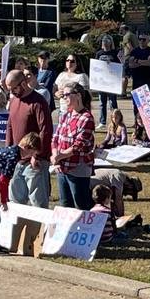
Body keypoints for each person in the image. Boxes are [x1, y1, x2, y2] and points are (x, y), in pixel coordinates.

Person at [5, 69, 53, 209]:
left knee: (38, 204)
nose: (12, 91)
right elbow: (10, 127)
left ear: (24, 83)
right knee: (15, 202)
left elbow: (45, 131)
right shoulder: (13, 101)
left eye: (14, 88)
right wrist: (9, 152)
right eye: (9, 89)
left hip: (34, 162)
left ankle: (38, 230)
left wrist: (37, 155)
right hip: (17, 160)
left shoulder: (38, 102)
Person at [51, 81, 95, 209]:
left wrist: (58, 157)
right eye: (62, 95)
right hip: (62, 167)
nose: (64, 98)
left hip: (78, 168)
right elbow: (55, 138)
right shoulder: (65, 116)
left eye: (66, 95)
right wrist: (55, 155)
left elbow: (78, 146)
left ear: (78, 96)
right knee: (65, 205)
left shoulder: (87, 118)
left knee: (81, 205)